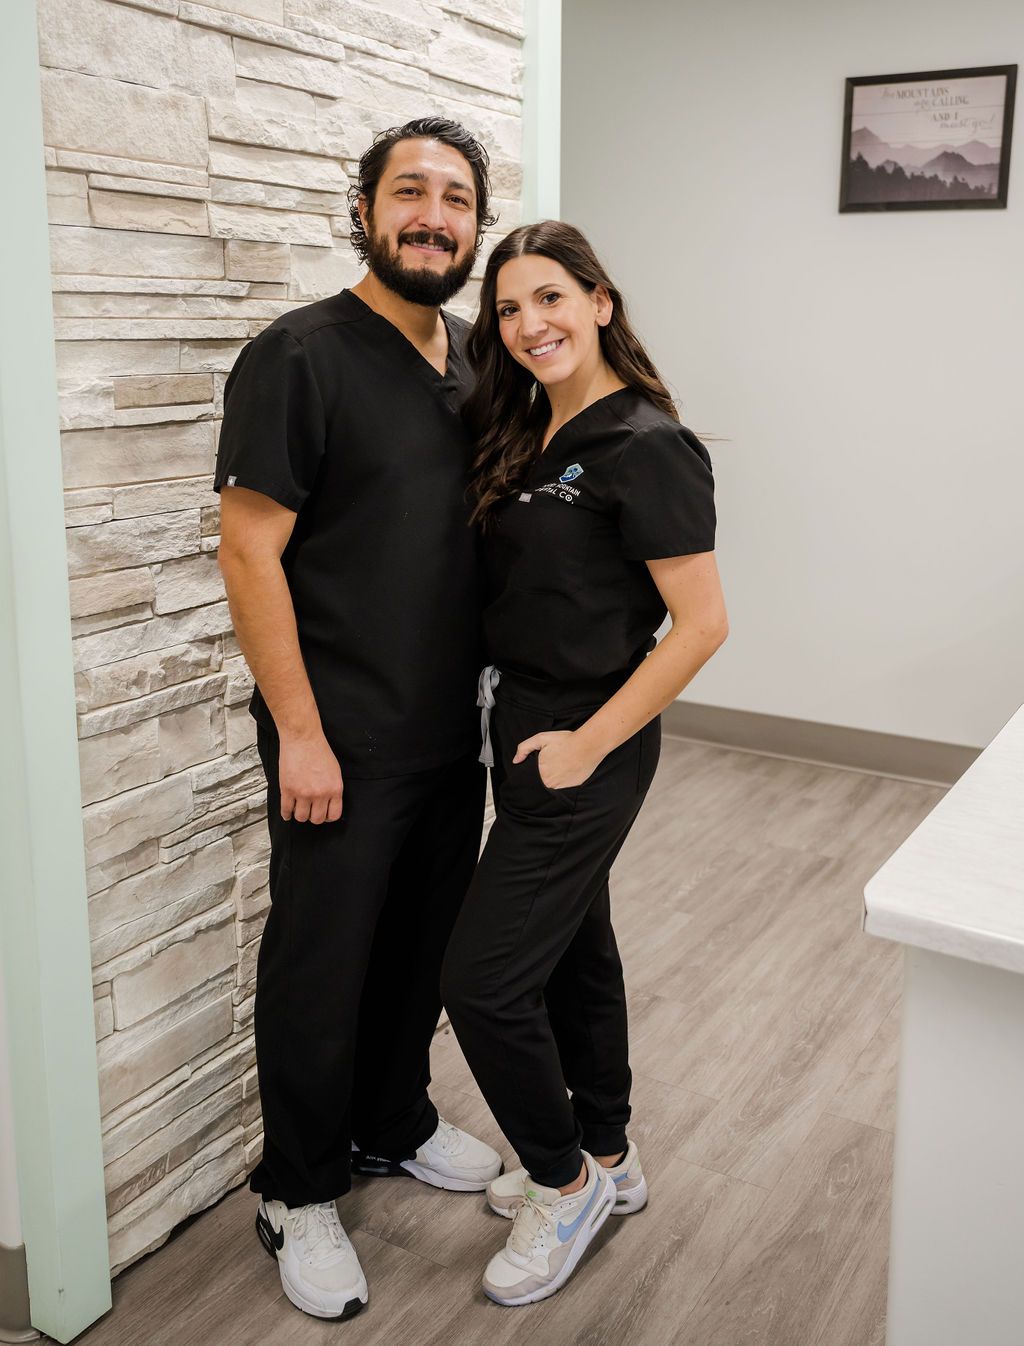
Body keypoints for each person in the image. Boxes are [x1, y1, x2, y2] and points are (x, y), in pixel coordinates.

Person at [214, 118, 503, 1323]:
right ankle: (298, 1186)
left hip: (449, 730)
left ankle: (392, 1121)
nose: (433, 214)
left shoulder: (479, 358)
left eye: (455, 197)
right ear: (366, 209)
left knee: (418, 952)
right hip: (337, 738)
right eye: (410, 192)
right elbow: (248, 547)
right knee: (322, 967)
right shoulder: (299, 356)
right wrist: (303, 731)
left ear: (476, 225)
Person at [441, 220, 729, 1306]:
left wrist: (584, 746)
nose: (528, 325)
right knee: (571, 947)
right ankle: (609, 1149)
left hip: (584, 737)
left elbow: (700, 626)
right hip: (522, 724)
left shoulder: (646, 444)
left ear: (600, 302)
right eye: (508, 308)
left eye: (550, 298)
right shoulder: (529, 433)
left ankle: (562, 1182)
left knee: (479, 977)